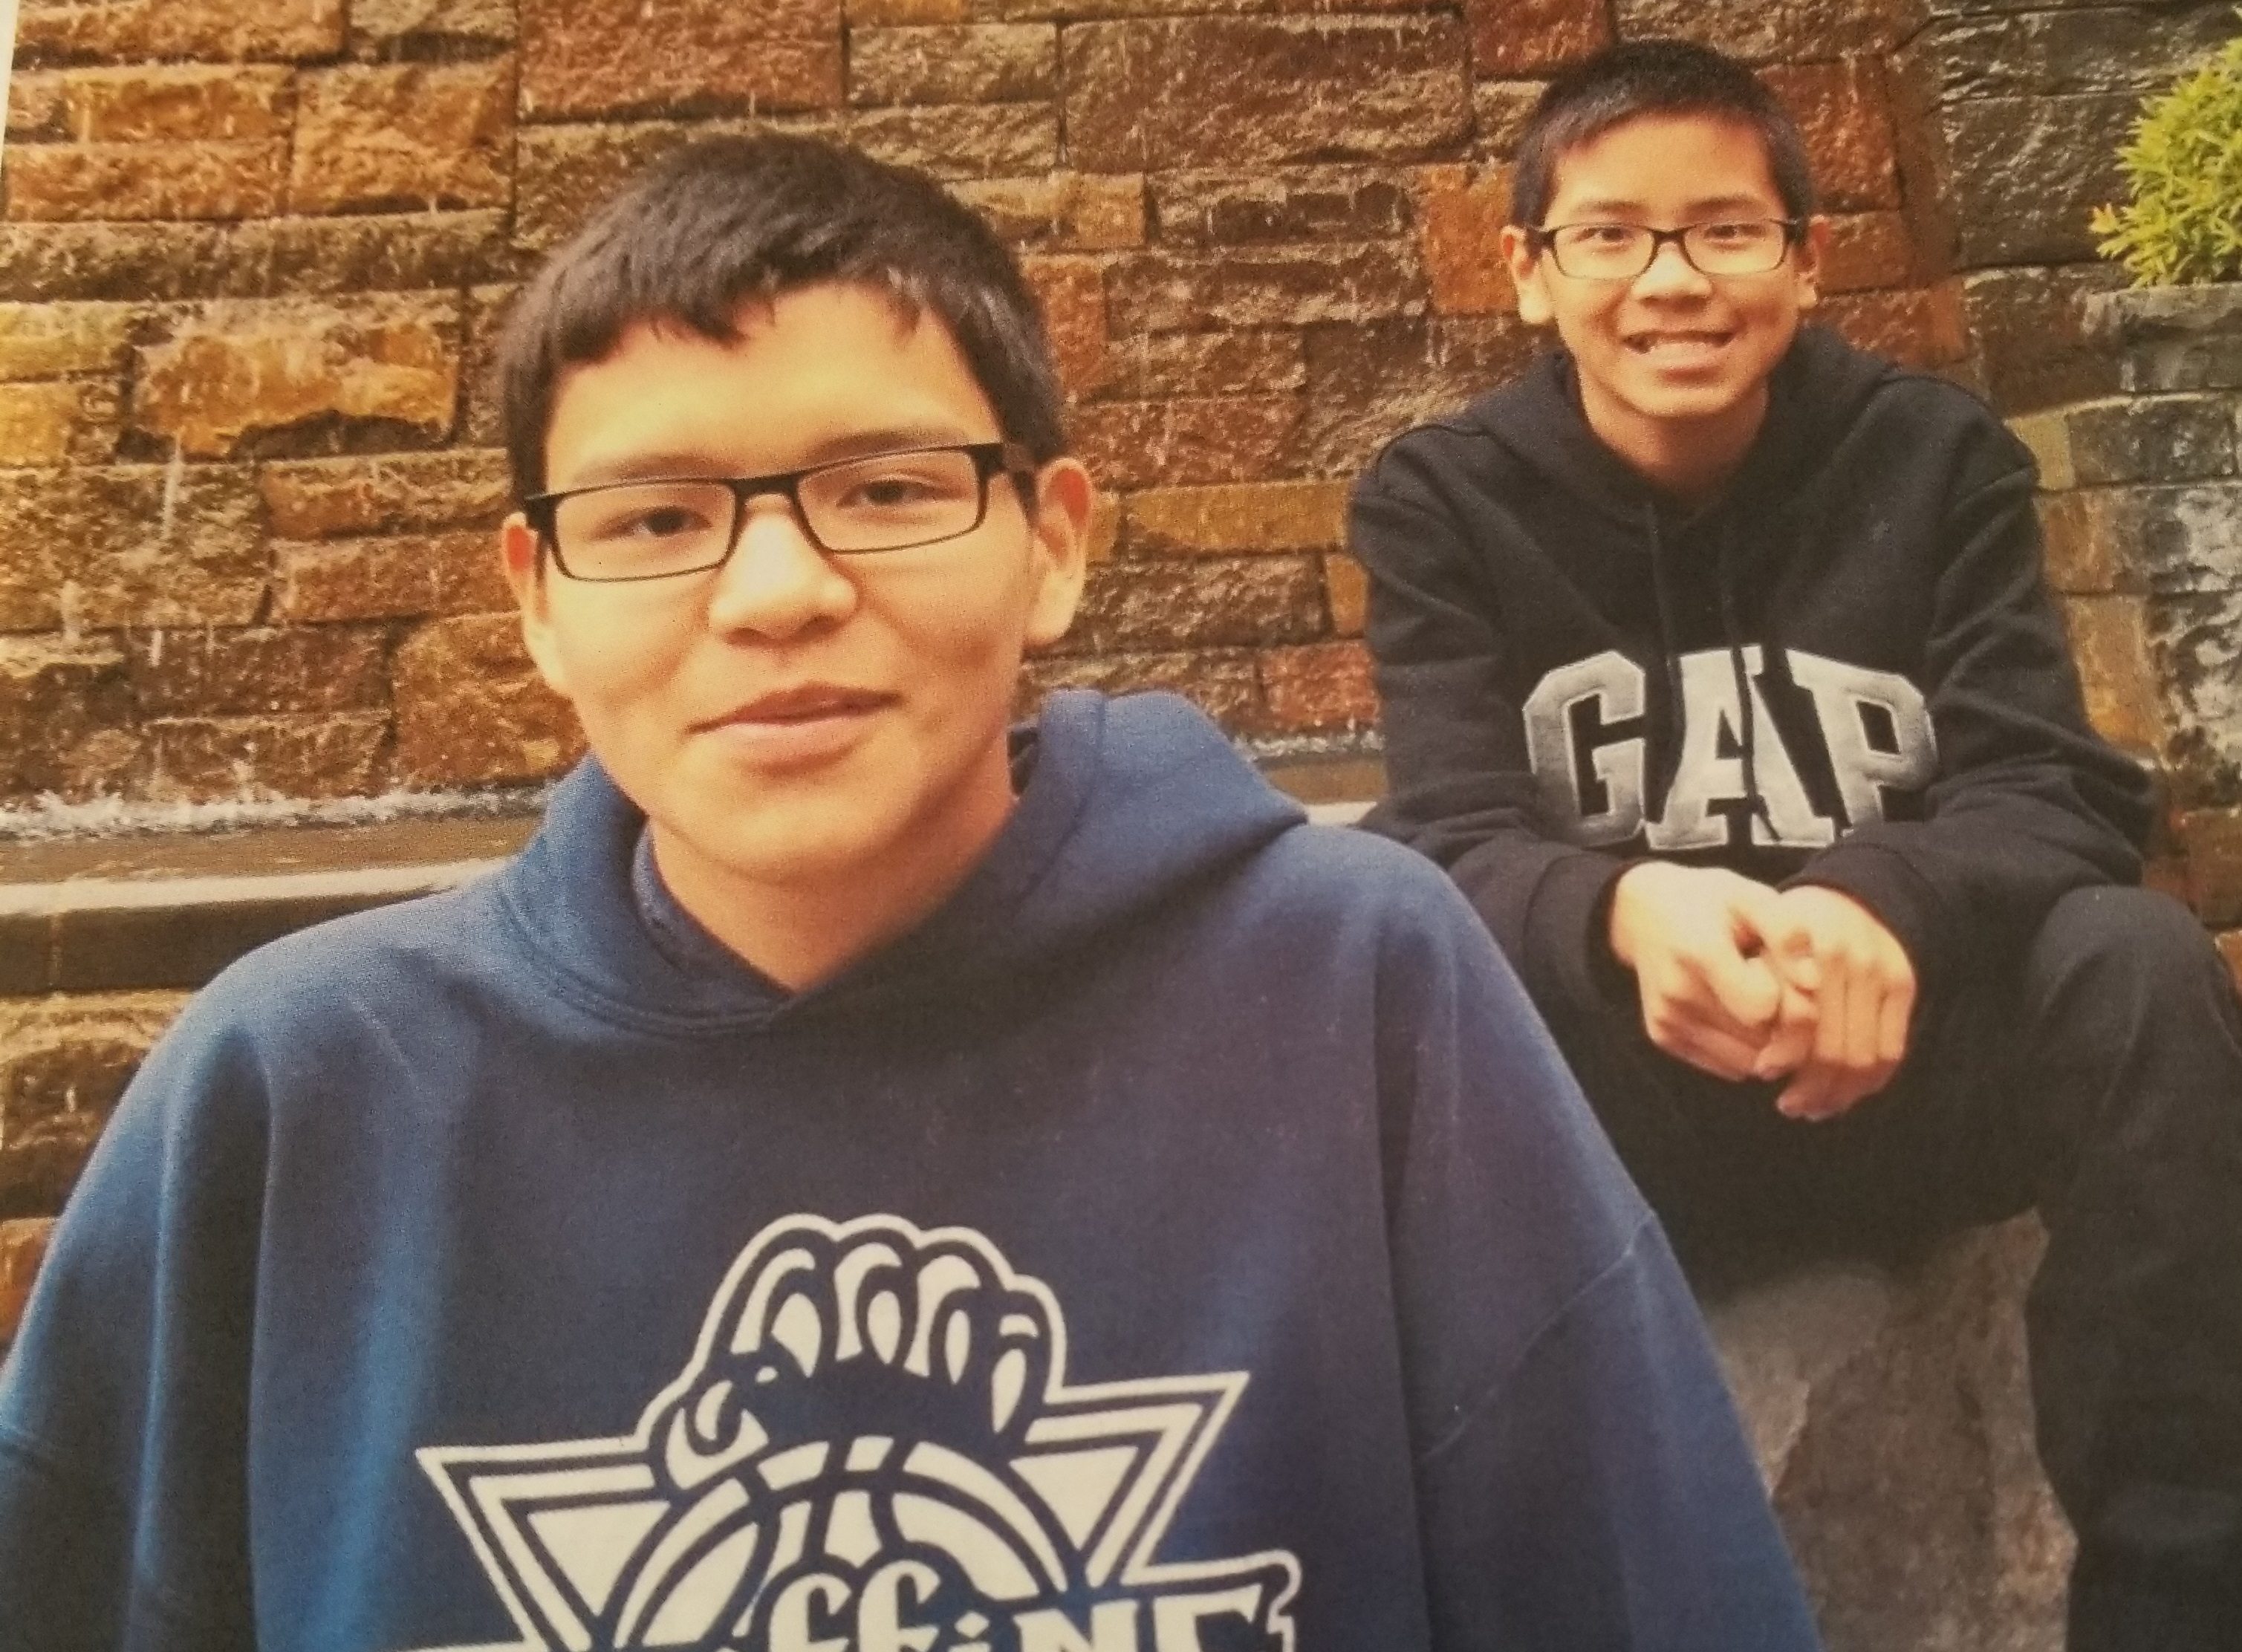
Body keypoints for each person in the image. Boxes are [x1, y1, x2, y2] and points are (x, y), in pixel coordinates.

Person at [0, 134, 1819, 1651]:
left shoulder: (1356, 990)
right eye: (653, 518)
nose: (776, 592)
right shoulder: (294, 1090)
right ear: (536, 598)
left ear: (1055, 543)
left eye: (883, 487)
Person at [1352, 37, 2242, 1652]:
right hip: (1626, 1117)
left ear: (1805, 258)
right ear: (1530, 270)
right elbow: (1449, 835)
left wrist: (1880, 899)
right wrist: (1622, 907)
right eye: (1609, 235)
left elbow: (2054, 784)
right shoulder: (1442, 499)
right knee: (1375, 991)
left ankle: (2181, 1602)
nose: (1670, 281)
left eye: (1725, 229)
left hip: (1915, 1082)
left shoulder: (1935, 453)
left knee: (2136, 957)